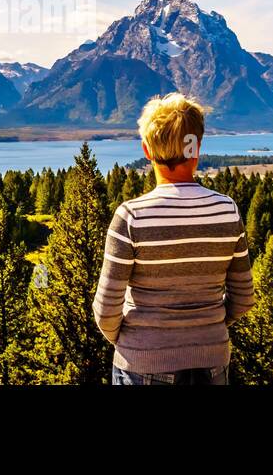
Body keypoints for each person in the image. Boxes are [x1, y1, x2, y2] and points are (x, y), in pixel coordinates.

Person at [93, 92, 254, 385]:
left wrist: (137, 341)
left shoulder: (131, 216)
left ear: (146, 150)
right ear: (196, 148)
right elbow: (243, 299)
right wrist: (208, 328)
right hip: (212, 363)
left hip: (142, 363)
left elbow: (106, 309)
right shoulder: (226, 211)